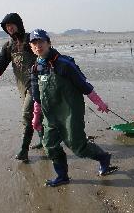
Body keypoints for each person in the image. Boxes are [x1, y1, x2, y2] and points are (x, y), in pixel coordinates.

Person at [29, 29, 117, 187]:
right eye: (34, 43)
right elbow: (36, 95)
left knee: (78, 147)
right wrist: (36, 116)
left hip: (70, 113)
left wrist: (100, 103)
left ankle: (103, 157)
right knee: (49, 145)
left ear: (48, 43)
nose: (38, 46)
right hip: (51, 115)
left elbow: (84, 86)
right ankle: (62, 176)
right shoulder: (35, 68)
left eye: (41, 42)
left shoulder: (64, 64)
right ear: (31, 47)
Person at [0, 13, 44, 162]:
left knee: (26, 114)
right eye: (6, 26)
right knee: (37, 115)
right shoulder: (8, 46)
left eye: (11, 24)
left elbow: (45, 53)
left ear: (18, 24)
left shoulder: (31, 39)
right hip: (22, 86)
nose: (9, 28)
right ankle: (44, 142)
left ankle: (24, 150)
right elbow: (0, 65)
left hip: (37, 84)